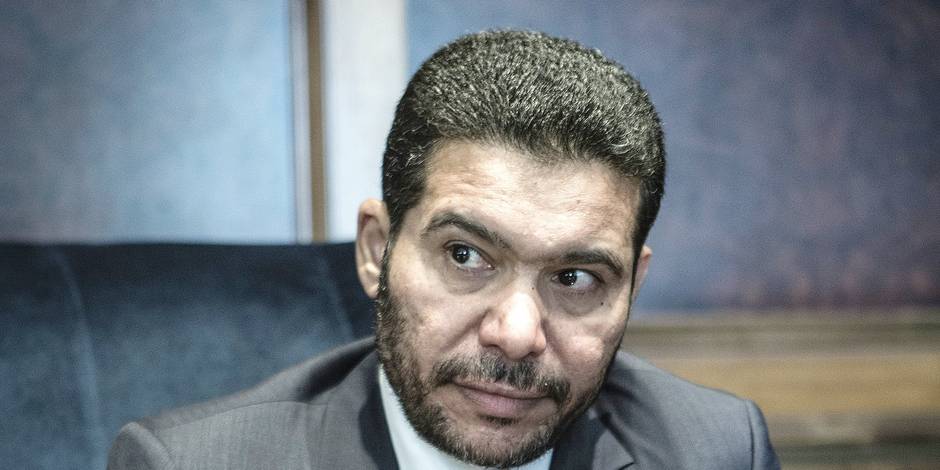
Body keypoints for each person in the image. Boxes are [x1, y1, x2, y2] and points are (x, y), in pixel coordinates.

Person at [108, 30, 779, 469]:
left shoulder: (714, 449)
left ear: (632, 285)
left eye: (575, 277)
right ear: (376, 251)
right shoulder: (191, 464)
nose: (516, 335)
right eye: (466, 257)